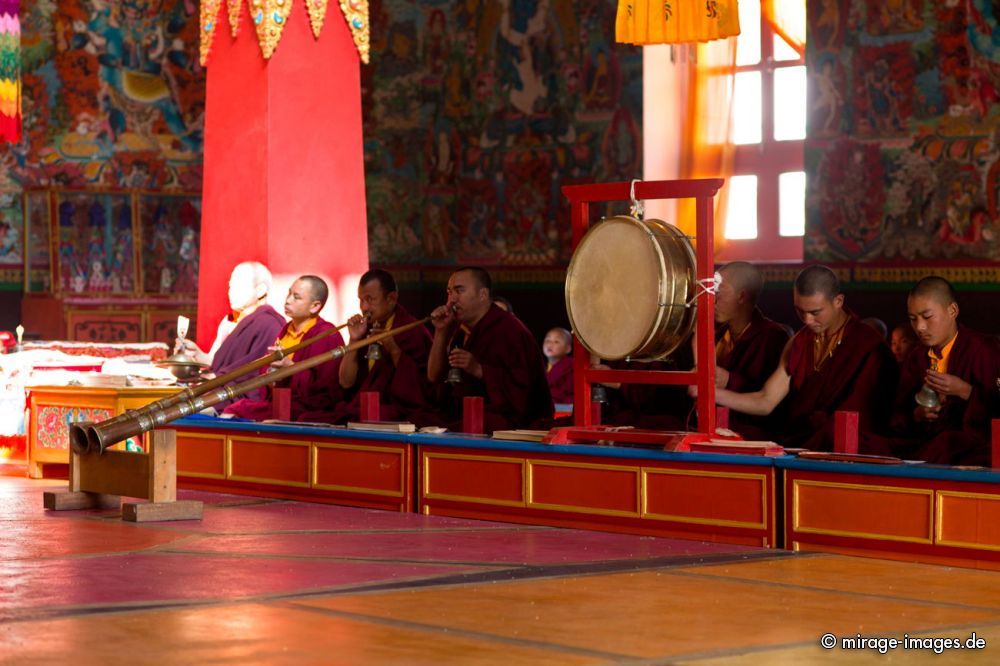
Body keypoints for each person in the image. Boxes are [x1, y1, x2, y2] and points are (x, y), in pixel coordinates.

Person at [696, 265, 897, 451]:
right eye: (800, 311)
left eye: (815, 312)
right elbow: (766, 401)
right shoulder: (799, 342)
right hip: (803, 443)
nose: (808, 321)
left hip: (851, 448)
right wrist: (709, 392)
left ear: (838, 301)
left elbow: (872, 416)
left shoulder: (867, 344)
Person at [890, 276, 1000, 466]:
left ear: (953, 310)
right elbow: (898, 414)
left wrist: (966, 391)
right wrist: (917, 414)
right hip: (923, 442)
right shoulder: (917, 357)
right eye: (913, 319)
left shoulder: (983, 350)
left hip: (971, 446)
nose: (920, 327)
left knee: (946, 444)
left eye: (927, 316)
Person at [426, 267, 553, 430]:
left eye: (459, 291)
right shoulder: (461, 330)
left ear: (483, 295)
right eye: (449, 292)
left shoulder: (509, 330)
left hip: (511, 423)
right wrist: (440, 331)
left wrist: (479, 369)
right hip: (466, 414)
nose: (451, 300)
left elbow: (522, 392)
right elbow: (434, 376)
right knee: (420, 421)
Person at [300, 269, 432, 424]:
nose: (364, 307)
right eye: (361, 300)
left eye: (370, 300)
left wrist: (394, 350)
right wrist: (354, 340)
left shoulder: (411, 330)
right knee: (308, 418)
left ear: (391, 298)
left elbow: (420, 391)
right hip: (361, 408)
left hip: (394, 410)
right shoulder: (364, 330)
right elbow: (345, 382)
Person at [223, 276, 345, 421]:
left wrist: (291, 369)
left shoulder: (326, 335)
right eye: (289, 294)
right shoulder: (286, 330)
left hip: (306, 407)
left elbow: (326, 390)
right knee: (235, 408)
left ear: (315, 306)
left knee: (239, 410)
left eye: (296, 297)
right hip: (279, 402)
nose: (288, 300)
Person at [176, 261, 285, 410]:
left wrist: (215, 378)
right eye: (230, 286)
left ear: (260, 290)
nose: (231, 291)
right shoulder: (229, 322)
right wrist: (196, 355)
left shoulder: (270, 324)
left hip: (241, 397)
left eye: (238, 286)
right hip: (220, 388)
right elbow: (217, 363)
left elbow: (255, 372)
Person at [711, 262, 790, 439]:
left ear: (741, 296)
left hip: (754, 437)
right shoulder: (717, 334)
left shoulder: (773, 337)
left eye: (718, 294)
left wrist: (729, 380)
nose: (712, 300)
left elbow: (774, 399)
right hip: (715, 429)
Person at [543, 327, 574, 405]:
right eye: (548, 340)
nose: (550, 344)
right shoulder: (541, 366)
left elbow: (571, 394)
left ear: (568, 349)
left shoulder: (571, 366)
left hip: (561, 410)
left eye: (556, 341)